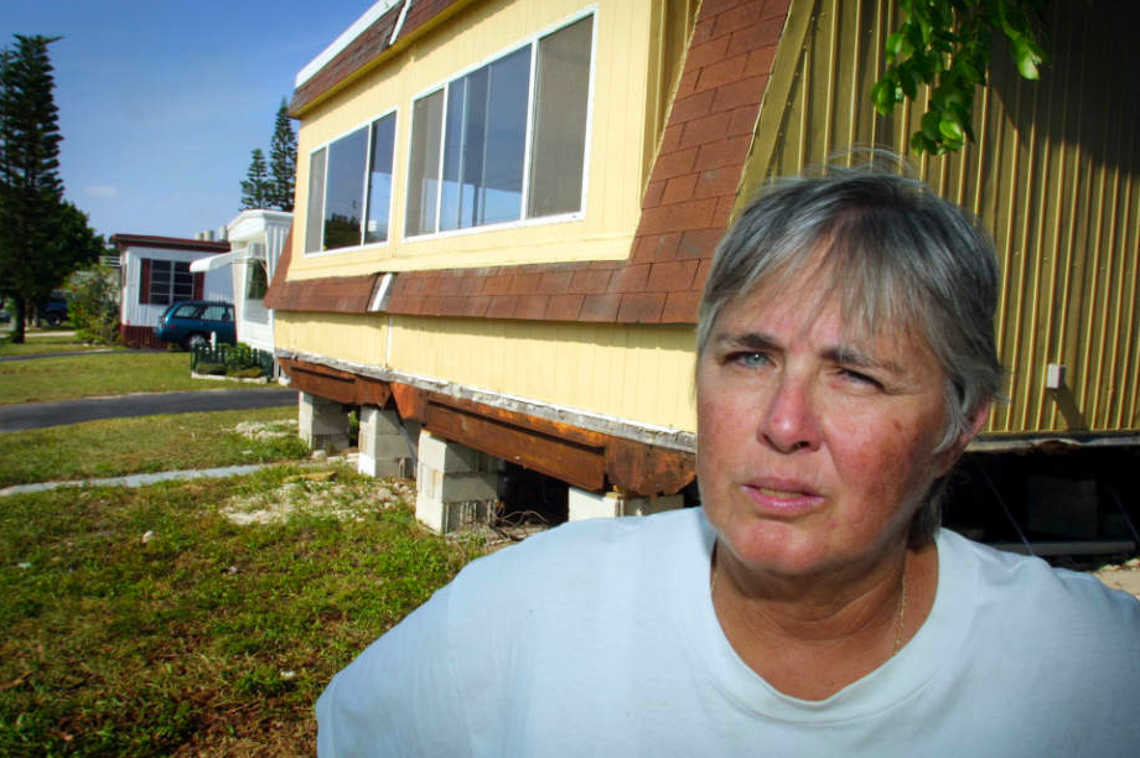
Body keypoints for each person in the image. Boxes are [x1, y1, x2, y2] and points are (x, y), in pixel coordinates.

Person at [316, 165, 1140, 756]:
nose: (785, 424)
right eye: (749, 357)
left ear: (958, 430)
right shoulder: (523, 615)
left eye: (855, 375)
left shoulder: (1097, 678)